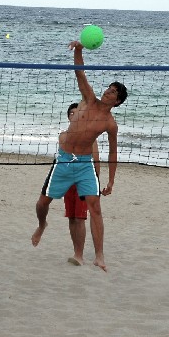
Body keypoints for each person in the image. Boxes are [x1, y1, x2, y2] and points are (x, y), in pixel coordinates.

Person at [31, 40, 128, 271]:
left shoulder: (110, 124)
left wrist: (111, 180)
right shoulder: (87, 99)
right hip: (64, 160)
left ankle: (100, 256)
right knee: (42, 202)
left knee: (95, 208)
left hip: (85, 165)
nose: (108, 92)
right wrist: (79, 49)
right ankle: (42, 225)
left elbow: (113, 153)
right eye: (109, 88)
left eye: (113, 92)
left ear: (118, 102)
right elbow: (79, 72)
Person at [63, 102, 101, 266]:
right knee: (71, 218)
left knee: (80, 218)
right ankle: (76, 251)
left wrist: (96, 182)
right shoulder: (64, 135)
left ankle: (80, 255)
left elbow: (96, 160)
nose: (74, 116)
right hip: (67, 181)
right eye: (71, 114)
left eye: (76, 113)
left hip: (83, 181)